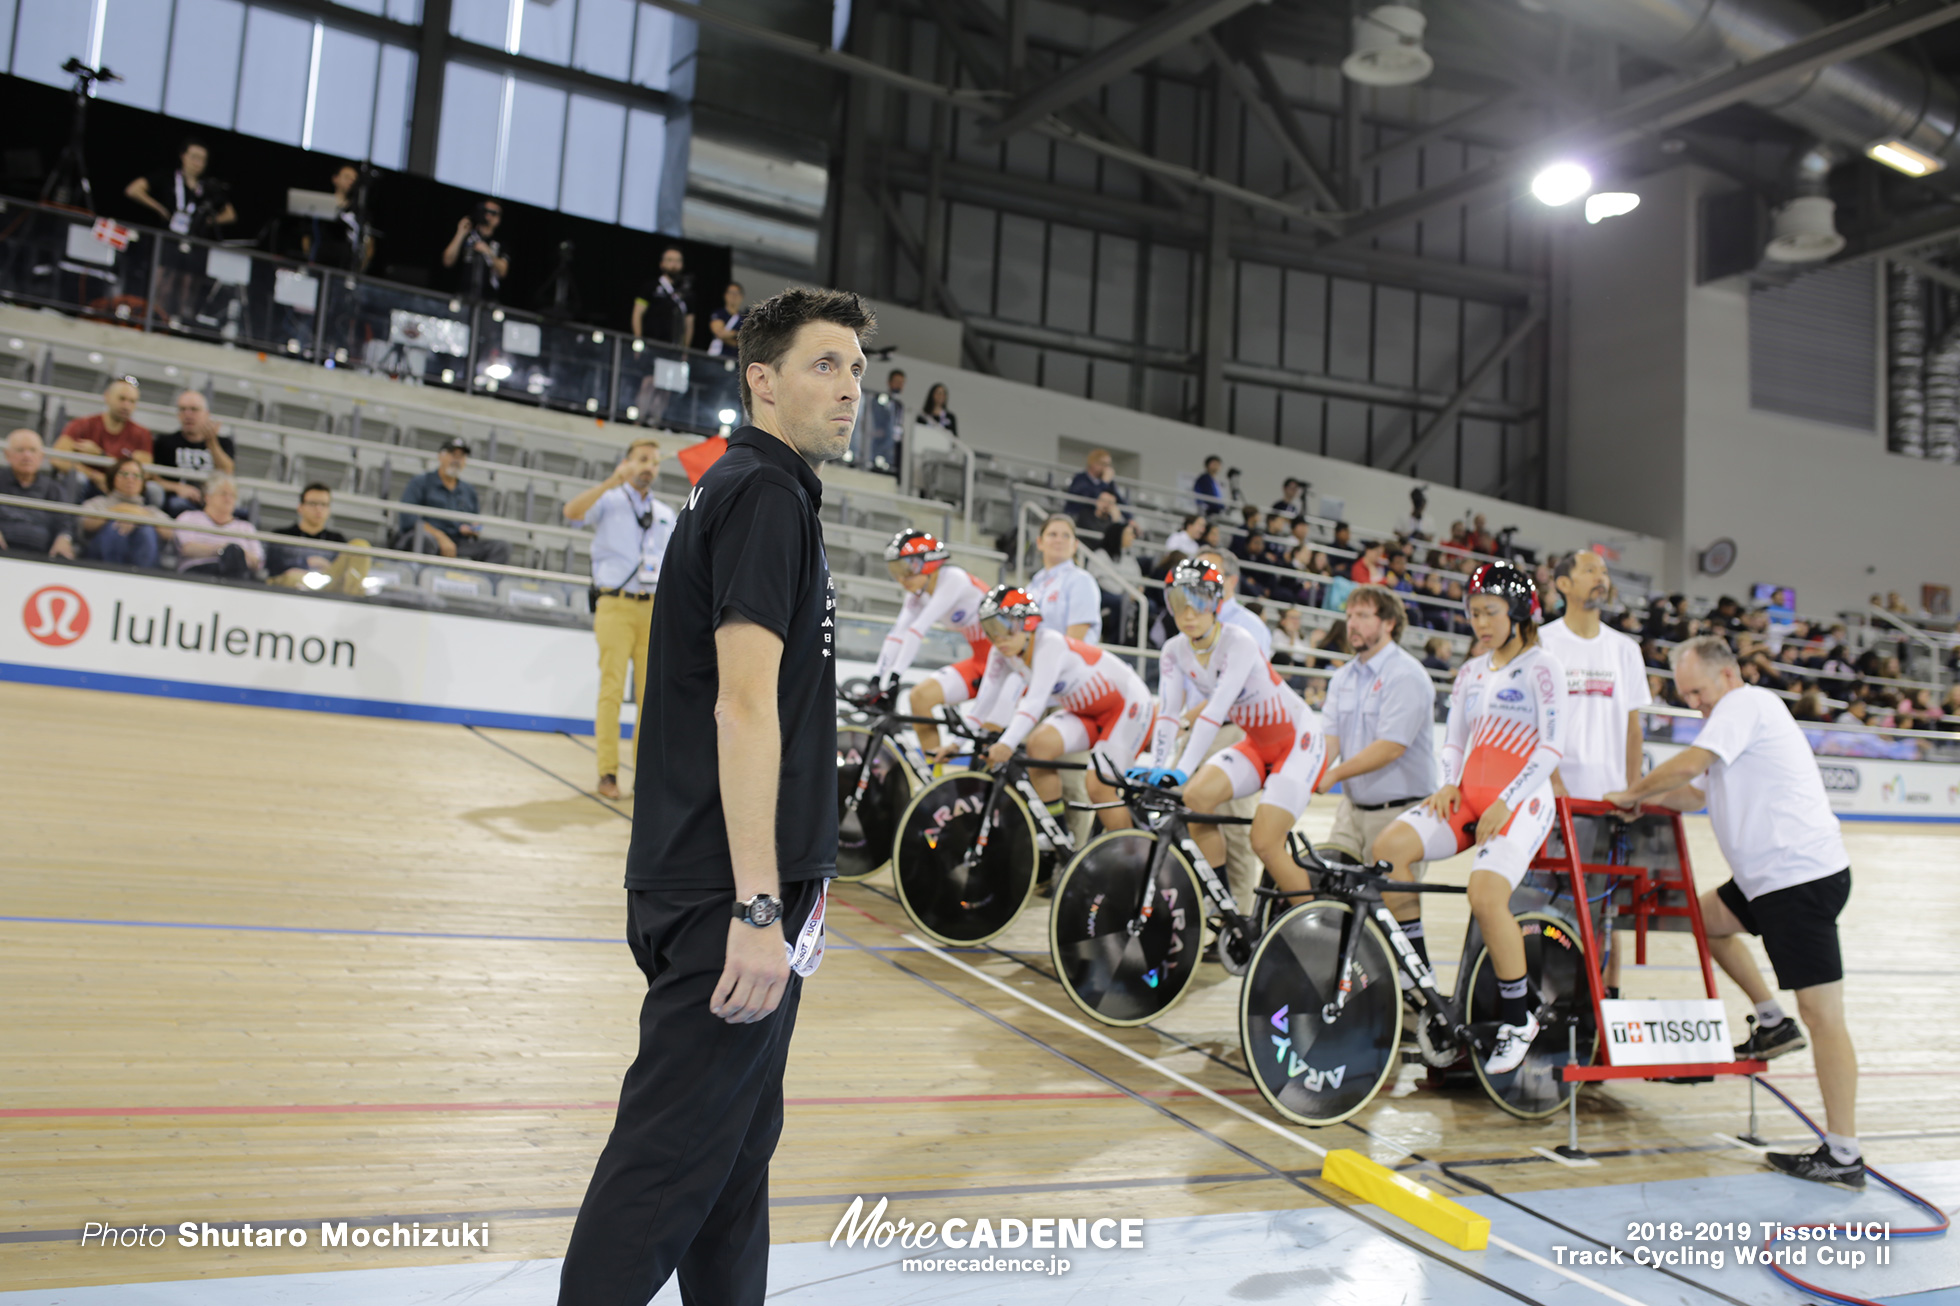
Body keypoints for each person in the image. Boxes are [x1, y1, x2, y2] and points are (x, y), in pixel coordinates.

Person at [557, 287, 875, 1304]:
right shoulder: (763, 497)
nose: (850, 386)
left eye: (859, 368)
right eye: (825, 364)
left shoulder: (750, 491)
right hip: (724, 898)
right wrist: (754, 904)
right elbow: (741, 708)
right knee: (664, 1170)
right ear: (763, 381)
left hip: (723, 889)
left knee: (733, 1165)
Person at [1603, 636, 1862, 1188]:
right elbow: (1695, 794)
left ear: (1727, 676)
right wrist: (1640, 802)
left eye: (1697, 691)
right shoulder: (1731, 720)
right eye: (1687, 695)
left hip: (1798, 880)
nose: (1694, 703)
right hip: (1768, 882)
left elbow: (1692, 765)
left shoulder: (1745, 705)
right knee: (1704, 921)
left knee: (1824, 1017)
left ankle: (1843, 1154)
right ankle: (1771, 1021)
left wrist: (1633, 790)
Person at [1371, 562, 1569, 1077]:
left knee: (1485, 896)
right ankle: (1420, 980)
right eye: (1473, 612)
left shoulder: (1542, 667)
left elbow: (1551, 747)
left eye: (1490, 612)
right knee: (1388, 849)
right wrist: (1449, 781)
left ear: (1520, 613)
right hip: (1468, 796)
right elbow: (1455, 738)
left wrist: (1507, 798)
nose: (1479, 622)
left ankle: (1517, 1014)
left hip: (1520, 800)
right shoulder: (1471, 670)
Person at [1135, 560, 1328, 903]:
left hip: (1298, 741)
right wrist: (1157, 764)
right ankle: (1221, 904)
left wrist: (1179, 770)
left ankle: (1312, 929)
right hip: (1257, 744)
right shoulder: (1174, 650)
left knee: (1265, 842)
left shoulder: (1239, 640)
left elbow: (1215, 711)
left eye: (1200, 603)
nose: (1189, 614)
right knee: (1195, 800)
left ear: (1217, 604)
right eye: (1179, 604)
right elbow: (1167, 714)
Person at [1315, 586, 1441, 979]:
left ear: (1388, 623)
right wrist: (1311, 771)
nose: (1352, 623)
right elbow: (1329, 739)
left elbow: (1391, 747)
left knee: (1394, 914)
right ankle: (1354, 987)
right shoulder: (1343, 678)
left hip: (1399, 811)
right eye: (1350, 614)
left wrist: (1332, 774)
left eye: (1363, 615)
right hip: (1352, 811)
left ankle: (1416, 990)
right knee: (1333, 892)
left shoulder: (1405, 675)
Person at [954, 585, 1148, 838]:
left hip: (1127, 705)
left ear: (1028, 623)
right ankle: (1056, 833)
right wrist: (957, 744)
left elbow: (1034, 702)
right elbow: (983, 703)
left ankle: (1131, 856)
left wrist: (1007, 743)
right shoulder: (1002, 652)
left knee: (1099, 787)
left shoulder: (1049, 643)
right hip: (1086, 711)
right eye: (990, 630)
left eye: (1004, 627)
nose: (998, 637)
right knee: (1039, 744)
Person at [563, 438, 677, 800]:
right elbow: (572, 512)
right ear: (626, 463)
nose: (650, 467)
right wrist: (612, 481)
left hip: (654, 608)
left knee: (651, 699)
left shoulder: (664, 512)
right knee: (611, 691)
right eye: (642, 460)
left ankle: (644, 779)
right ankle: (607, 773)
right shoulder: (609, 500)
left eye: (655, 462)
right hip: (615, 604)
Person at [870, 529, 991, 759]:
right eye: (895, 571)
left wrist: (895, 678)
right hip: (982, 661)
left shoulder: (952, 579)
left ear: (927, 565)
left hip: (1005, 667)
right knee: (919, 698)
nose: (901, 579)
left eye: (906, 569)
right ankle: (935, 777)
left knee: (987, 742)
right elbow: (898, 634)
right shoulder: (918, 591)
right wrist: (876, 677)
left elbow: (918, 629)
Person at [125, 137, 236, 324]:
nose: (197, 163)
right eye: (194, 157)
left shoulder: (208, 188)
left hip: (193, 244)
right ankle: (156, 320)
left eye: (202, 159)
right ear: (183, 157)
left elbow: (231, 214)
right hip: (167, 240)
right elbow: (133, 189)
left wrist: (209, 221)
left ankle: (182, 323)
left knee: (188, 286)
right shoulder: (167, 178)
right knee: (163, 283)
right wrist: (158, 208)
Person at [395, 439, 511, 565]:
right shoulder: (420, 482)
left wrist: (472, 528)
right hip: (427, 538)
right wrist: (440, 537)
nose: (457, 460)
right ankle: (421, 579)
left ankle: (480, 583)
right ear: (441, 456)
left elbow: (475, 522)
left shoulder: (468, 490)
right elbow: (408, 518)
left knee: (501, 547)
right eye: (453, 455)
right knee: (424, 540)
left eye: (461, 456)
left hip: (458, 543)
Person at [267, 482, 369, 595]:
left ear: (329, 510)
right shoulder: (282, 535)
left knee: (360, 545)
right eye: (313, 504)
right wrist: (306, 563)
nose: (318, 509)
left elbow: (339, 572)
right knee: (293, 577)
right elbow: (272, 568)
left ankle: (352, 599)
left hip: (327, 582)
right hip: (293, 583)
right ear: (300, 507)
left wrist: (327, 568)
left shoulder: (337, 539)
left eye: (324, 504)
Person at [54, 377, 152, 493]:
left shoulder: (141, 434)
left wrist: (101, 455)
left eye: (132, 401)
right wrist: (94, 475)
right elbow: (57, 458)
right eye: (122, 399)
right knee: (78, 479)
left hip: (122, 488)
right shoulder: (83, 424)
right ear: (107, 397)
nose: (126, 406)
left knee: (152, 490)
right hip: (89, 482)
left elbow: (144, 472)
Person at [79, 457, 173, 568]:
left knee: (146, 529)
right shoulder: (98, 503)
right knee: (114, 526)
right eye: (124, 474)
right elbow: (86, 524)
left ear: (143, 482)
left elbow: (170, 534)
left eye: (136, 475)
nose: (130, 479)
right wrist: (119, 510)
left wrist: (139, 516)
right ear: (112, 478)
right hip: (99, 563)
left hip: (143, 567)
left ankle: (142, 576)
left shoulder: (151, 510)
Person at [152, 390, 237, 513]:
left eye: (194, 409)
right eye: (183, 409)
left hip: (214, 500)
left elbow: (227, 471)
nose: (188, 414)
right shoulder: (165, 442)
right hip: (179, 501)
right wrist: (178, 488)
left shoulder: (223, 443)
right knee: (177, 505)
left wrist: (212, 444)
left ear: (206, 414)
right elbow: (154, 478)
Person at [0, 430, 78, 558]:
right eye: (20, 450)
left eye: (33, 450)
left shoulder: (54, 489)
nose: (27, 456)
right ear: (7, 454)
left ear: (41, 456)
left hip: (42, 557)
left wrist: (64, 538)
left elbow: (66, 523)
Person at [1028, 513, 1102, 644]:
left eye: (1066, 535)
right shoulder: (1033, 584)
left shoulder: (1081, 581)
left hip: (1066, 662)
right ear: (1039, 542)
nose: (1059, 540)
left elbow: (1074, 644)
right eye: (1052, 534)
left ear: (1075, 545)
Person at [174, 475, 263, 577]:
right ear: (208, 497)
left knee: (234, 553)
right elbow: (186, 548)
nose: (228, 499)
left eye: (233, 495)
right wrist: (221, 550)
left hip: (235, 576)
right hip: (198, 572)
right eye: (223, 493)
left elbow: (257, 562)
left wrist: (235, 553)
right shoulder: (189, 518)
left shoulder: (246, 527)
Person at [1194, 548, 1272, 658]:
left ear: (1232, 581)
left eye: (1209, 574)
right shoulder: (1186, 619)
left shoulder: (1251, 626)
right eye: (1196, 574)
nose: (1199, 581)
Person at [300, 162, 372, 271]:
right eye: (347, 177)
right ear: (335, 179)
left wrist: (359, 269)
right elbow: (306, 236)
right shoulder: (320, 206)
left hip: (344, 269)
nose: (351, 181)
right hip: (317, 265)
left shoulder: (359, 212)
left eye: (354, 179)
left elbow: (369, 244)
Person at [443, 200, 509, 301]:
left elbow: (503, 271)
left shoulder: (501, 243)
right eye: (485, 211)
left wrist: (487, 251)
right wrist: (460, 233)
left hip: (488, 300)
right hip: (462, 297)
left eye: (493, 213)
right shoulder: (468, 236)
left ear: (498, 219)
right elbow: (447, 261)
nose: (488, 215)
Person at [632, 246, 693, 346]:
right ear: (661, 264)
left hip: (674, 347)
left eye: (678, 261)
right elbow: (637, 314)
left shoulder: (688, 294)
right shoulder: (650, 286)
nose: (674, 264)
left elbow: (689, 324)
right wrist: (638, 340)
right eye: (670, 260)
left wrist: (685, 350)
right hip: (650, 343)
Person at [1065, 447, 1119, 524]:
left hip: (1097, 520)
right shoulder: (1080, 479)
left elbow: (1119, 499)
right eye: (1103, 464)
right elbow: (1090, 499)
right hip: (1079, 516)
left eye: (1108, 465)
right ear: (1093, 463)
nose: (1106, 468)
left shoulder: (1109, 482)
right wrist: (1103, 483)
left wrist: (1131, 519)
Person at [707, 282, 746, 357]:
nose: (734, 296)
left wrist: (729, 335)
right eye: (731, 293)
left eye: (737, 293)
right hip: (717, 356)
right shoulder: (719, 313)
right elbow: (720, 333)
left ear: (741, 297)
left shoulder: (744, 319)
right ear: (725, 295)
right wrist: (737, 334)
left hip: (735, 359)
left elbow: (744, 342)